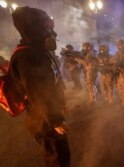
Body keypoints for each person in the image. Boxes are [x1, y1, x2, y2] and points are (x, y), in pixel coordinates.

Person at [10, 7, 70, 166]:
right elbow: (38, 93)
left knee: (62, 155)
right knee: (57, 158)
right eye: (46, 27)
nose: (51, 32)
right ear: (33, 29)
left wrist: (60, 103)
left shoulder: (38, 52)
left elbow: (51, 82)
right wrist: (55, 120)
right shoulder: (26, 56)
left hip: (47, 113)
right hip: (42, 118)